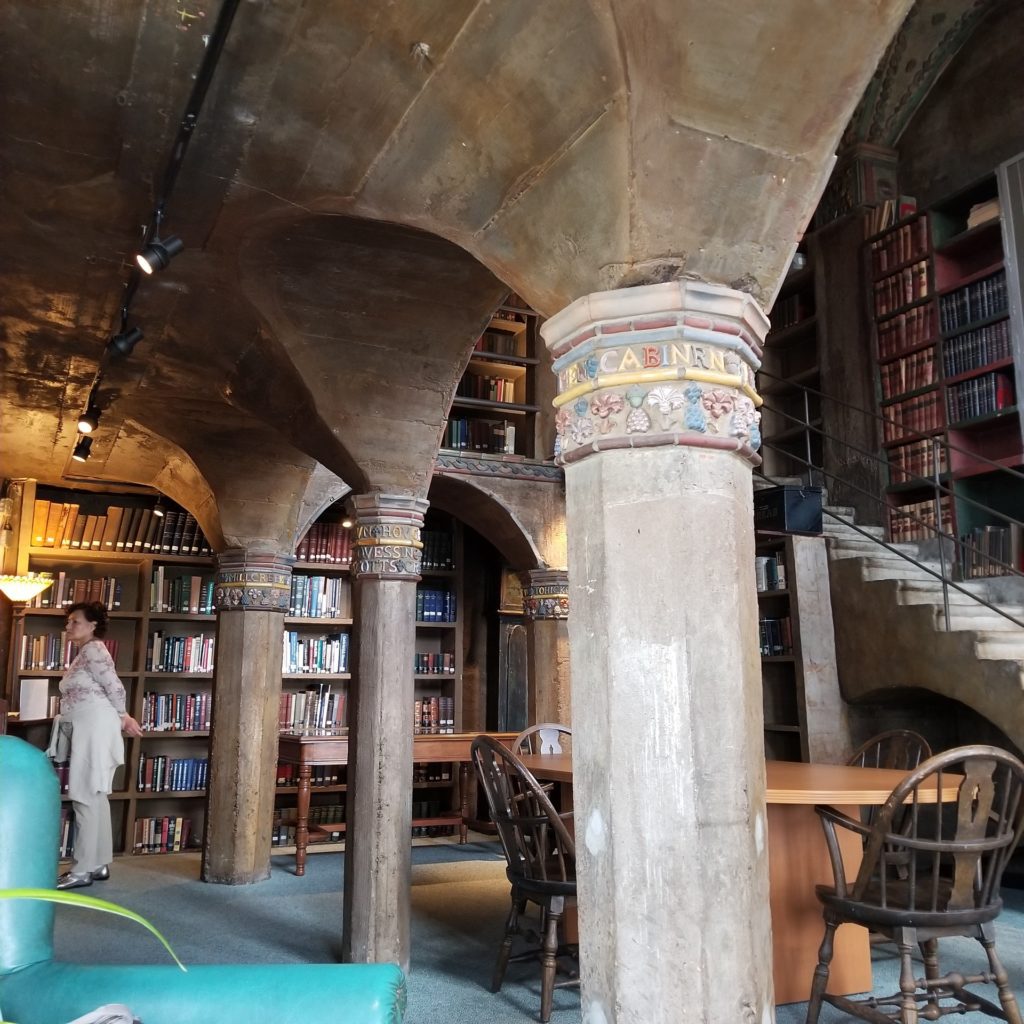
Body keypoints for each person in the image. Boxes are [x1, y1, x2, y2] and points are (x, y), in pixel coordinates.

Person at [49, 601, 143, 889]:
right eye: (68, 621)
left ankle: (82, 870)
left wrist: (124, 716)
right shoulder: (85, 653)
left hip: (94, 726)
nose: (69, 626)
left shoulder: (93, 649)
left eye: (74, 621)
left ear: (92, 625)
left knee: (85, 794)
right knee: (95, 794)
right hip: (89, 726)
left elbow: (115, 686)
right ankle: (98, 864)